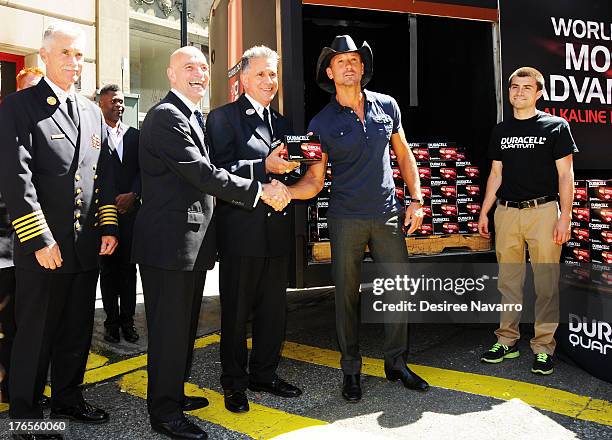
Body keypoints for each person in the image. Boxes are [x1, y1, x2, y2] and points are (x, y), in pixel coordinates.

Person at [131, 45, 290, 440]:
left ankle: (173, 395)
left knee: (182, 331)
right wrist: (258, 190)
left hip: (189, 245)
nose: (199, 73)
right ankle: (165, 413)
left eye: (203, 67)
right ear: (170, 74)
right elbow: (204, 173)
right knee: (169, 333)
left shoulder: (192, 117)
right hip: (169, 246)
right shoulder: (167, 116)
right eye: (189, 67)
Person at [286, 35, 429, 402]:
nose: (349, 65)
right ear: (330, 73)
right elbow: (315, 180)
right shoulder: (320, 123)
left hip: (387, 214)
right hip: (346, 218)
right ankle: (351, 370)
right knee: (346, 297)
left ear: (362, 68)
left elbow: (404, 155)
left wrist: (416, 199)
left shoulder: (387, 106)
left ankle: (396, 362)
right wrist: (284, 191)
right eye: (341, 61)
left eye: (355, 60)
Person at [0, 23, 119, 440]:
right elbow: (17, 179)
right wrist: (38, 239)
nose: (74, 62)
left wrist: (107, 225)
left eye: (80, 55)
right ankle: (28, 417)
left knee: (76, 330)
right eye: (66, 54)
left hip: (85, 248)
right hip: (43, 249)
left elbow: (103, 174)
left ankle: (69, 399)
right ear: (44, 56)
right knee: (35, 335)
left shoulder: (90, 111)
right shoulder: (20, 106)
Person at [207, 45, 302, 414]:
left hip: (275, 229)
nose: (269, 81)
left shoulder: (283, 123)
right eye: (261, 74)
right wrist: (265, 168)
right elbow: (218, 171)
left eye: (273, 74)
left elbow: (291, 167)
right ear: (243, 78)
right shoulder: (223, 118)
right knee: (235, 314)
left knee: (273, 312)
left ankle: (265, 373)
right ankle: (234, 383)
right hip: (241, 232)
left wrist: (286, 179)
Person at [478, 67, 575, 376]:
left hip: (543, 212)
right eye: (514, 87)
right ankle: (506, 340)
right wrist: (485, 211)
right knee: (508, 282)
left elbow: (566, 175)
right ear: (509, 92)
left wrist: (566, 216)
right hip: (506, 213)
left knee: (545, 283)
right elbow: (496, 173)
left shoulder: (555, 126)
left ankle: (544, 347)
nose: (519, 92)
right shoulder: (500, 130)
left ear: (539, 93)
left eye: (526, 87)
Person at [0, 66, 46, 407]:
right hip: (4, 246)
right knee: (7, 326)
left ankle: (22, 387)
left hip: (35, 245)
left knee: (30, 324)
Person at [98, 84, 140, 344]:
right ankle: (111, 323)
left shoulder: (136, 135)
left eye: (122, 101)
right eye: (114, 100)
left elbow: (144, 171)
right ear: (101, 103)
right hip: (104, 215)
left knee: (129, 270)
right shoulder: (91, 134)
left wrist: (133, 194)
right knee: (108, 270)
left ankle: (128, 321)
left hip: (131, 214)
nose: (119, 105)